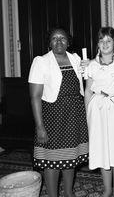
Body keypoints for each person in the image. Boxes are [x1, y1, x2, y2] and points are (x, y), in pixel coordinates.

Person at [28, 25, 89, 197]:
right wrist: (40, 126)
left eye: (62, 38)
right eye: (54, 38)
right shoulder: (41, 61)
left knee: (70, 158)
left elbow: (89, 78)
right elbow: (35, 96)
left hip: (74, 116)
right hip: (53, 117)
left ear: (68, 42)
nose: (59, 41)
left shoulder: (76, 58)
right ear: (49, 43)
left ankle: (69, 193)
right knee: (51, 160)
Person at [84, 27, 114, 197]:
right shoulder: (91, 65)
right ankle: (107, 189)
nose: (105, 44)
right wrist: (88, 115)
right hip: (98, 108)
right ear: (97, 44)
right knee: (102, 148)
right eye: (102, 41)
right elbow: (88, 90)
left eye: (108, 41)